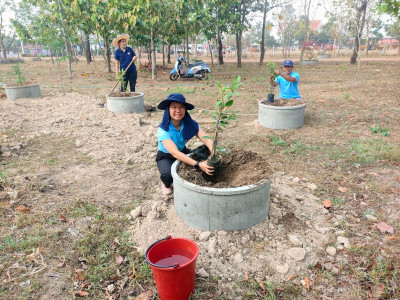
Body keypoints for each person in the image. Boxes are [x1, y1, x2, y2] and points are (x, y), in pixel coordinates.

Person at [156, 93, 215, 195]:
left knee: (206, 150)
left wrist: (214, 153)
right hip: (166, 156)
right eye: (174, 107)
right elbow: (175, 153)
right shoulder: (163, 130)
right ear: (168, 109)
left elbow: (207, 139)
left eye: (181, 107)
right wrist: (198, 164)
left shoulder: (189, 124)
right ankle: (166, 184)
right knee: (168, 175)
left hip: (182, 150)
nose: (178, 111)